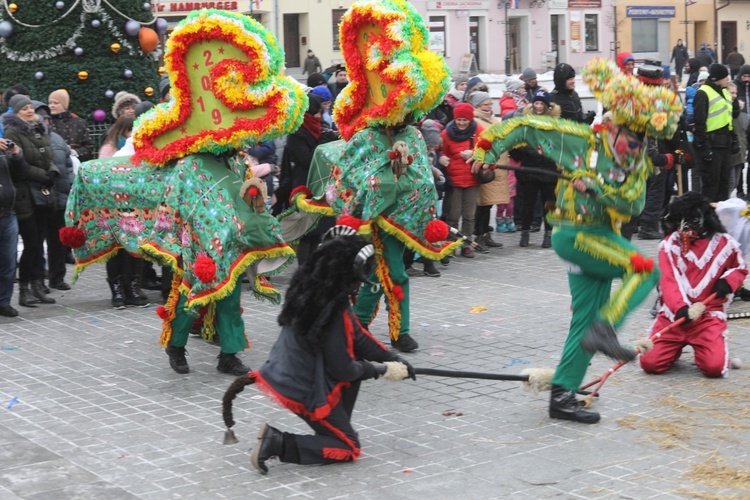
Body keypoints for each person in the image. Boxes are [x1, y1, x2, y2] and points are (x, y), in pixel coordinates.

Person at [471, 57, 683, 423]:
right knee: (646, 270)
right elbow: (522, 126)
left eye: (640, 142)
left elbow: (632, 203)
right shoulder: (579, 140)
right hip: (573, 234)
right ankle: (607, 330)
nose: (632, 148)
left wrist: (598, 188)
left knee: (583, 322)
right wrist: (483, 154)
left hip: (601, 236)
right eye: (628, 138)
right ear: (611, 126)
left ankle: (563, 393)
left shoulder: (636, 163)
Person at [221, 225, 415, 474]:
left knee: (354, 371)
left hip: (294, 371)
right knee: (347, 447)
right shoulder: (330, 307)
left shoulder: (320, 288)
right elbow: (343, 369)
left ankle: (334, 425)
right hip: (300, 384)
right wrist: (381, 369)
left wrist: (392, 357)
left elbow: (357, 336)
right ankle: (277, 442)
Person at [640, 192, 747, 378]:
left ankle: (713, 349)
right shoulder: (669, 244)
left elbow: (740, 268)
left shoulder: (725, 243)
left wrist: (728, 282)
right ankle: (673, 348)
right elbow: (668, 280)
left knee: (714, 368)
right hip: (674, 317)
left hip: (707, 316)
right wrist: (681, 309)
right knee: (650, 363)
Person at [2, 94, 60, 307]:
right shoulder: (12, 132)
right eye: (23, 108)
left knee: (39, 243)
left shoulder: (39, 130)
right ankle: (24, 289)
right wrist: (44, 175)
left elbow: (49, 158)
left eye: (30, 107)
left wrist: (52, 171)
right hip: (26, 196)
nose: (29, 111)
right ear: (16, 112)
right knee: (31, 244)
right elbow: (19, 166)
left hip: (43, 195)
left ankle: (38, 286)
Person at [33, 101, 75, 290]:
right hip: (39, 199)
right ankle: (39, 279)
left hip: (59, 198)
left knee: (58, 241)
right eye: (42, 119)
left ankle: (57, 278)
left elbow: (67, 166)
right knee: (36, 242)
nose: (45, 123)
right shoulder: (29, 139)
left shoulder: (58, 140)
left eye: (47, 119)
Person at [511, 89, 561, 248]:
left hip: (548, 171)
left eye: (542, 103)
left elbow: (560, 147)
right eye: (536, 103)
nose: (539, 106)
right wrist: (522, 150)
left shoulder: (555, 126)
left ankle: (549, 234)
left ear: (547, 106)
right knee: (528, 204)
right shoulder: (525, 124)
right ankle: (524, 234)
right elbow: (516, 147)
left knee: (549, 204)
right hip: (529, 171)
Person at [440, 103, 484, 258]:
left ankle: (467, 244)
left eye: (465, 120)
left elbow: (487, 148)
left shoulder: (478, 130)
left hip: (472, 178)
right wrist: (442, 158)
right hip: (454, 179)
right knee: (453, 215)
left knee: (469, 215)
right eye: (459, 119)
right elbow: (442, 151)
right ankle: (451, 244)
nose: (462, 123)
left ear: (470, 119)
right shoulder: (446, 133)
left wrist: (473, 153)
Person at [694, 63, 741, 202]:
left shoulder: (725, 92)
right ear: (717, 78)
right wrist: (705, 147)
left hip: (724, 143)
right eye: (725, 77)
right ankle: (709, 219)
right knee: (711, 186)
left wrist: (734, 139)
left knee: (724, 184)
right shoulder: (703, 92)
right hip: (712, 144)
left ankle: (721, 218)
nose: (728, 80)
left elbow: (729, 117)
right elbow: (700, 122)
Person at [468, 91, 505, 251]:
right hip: (484, 167)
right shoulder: (476, 121)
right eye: (486, 104)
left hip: (496, 167)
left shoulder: (493, 120)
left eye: (490, 104)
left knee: (489, 204)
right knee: (481, 204)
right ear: (477, 106)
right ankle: (479, 235)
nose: (490, 107)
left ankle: (485, 233)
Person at [0, 137, 28, 317]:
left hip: (8, 213)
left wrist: (16, 155)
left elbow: (21, 175)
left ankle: (3, 302)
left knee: (9, 262)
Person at [47, 89, 94, 162]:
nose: (51, 106)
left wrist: (75, 152)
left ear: (64, 105)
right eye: (50, 103)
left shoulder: (79, 123)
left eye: (56, 103)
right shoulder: (45, 122)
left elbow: (89, 147)